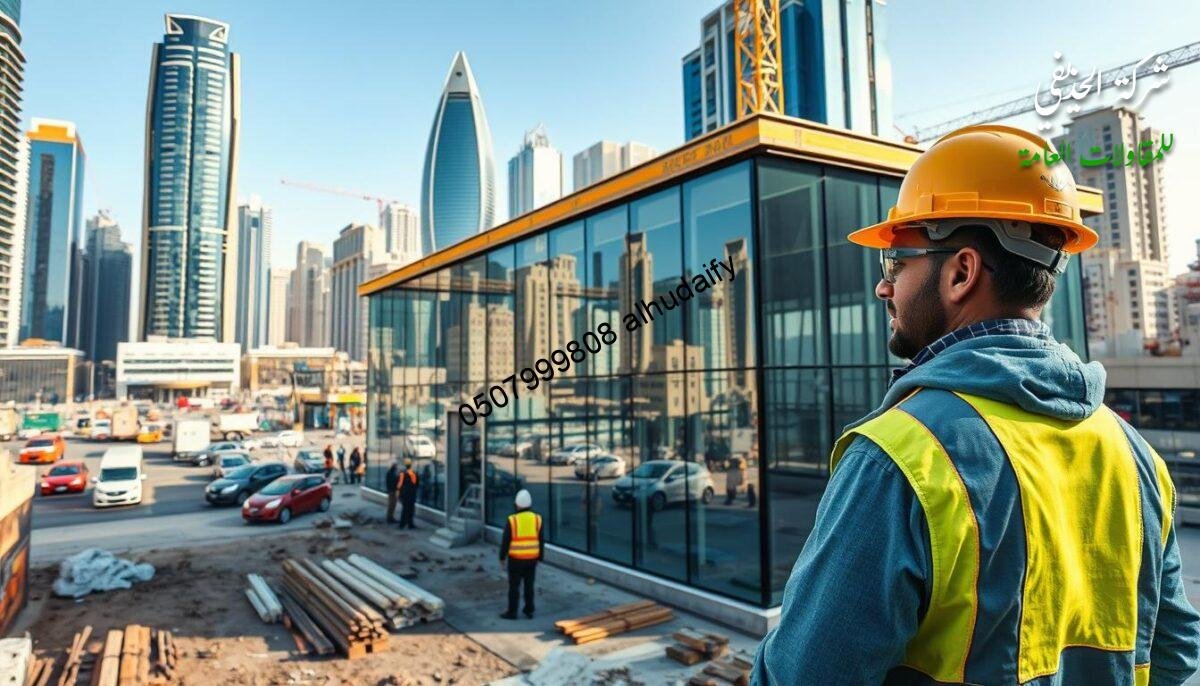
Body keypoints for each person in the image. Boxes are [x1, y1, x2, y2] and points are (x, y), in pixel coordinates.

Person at [754, 124, 1200, 685]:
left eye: (897, 263)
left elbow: (802, 676)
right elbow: (1175, 655)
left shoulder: (901, 459)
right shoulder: (1133, 456)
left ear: (961, 272)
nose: (883, 288)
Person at [499, 489, 542, 620]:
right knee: (529, 586)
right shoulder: (537, 519)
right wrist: (541, 557)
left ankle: (512, 612)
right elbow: (541, 539)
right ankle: (529, 610)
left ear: (516, 504)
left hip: (516, 559)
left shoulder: (512, 520)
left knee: (514, 587)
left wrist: (502, 557)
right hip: (532, 559)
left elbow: (506, 540)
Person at [396, 458, 419, 529]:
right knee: (410, 509)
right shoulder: (413, 474)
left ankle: (402, 524)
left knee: (405, 509)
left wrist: (399, 492)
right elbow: (416, 484)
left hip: (404, 494)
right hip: (411, 494)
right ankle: (410, 524)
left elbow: (399, 485)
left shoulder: (402, 474)